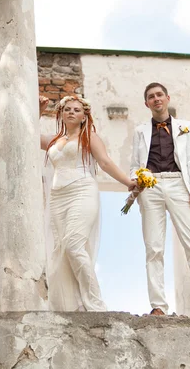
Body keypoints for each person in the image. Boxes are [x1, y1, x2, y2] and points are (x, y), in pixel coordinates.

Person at [130, 82, 190, 316]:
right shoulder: (140, 130)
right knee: (154, 247)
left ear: (168, 98)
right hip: (151, 187)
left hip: (179, 184)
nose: (156, 99)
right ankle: (158, 305)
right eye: (151, 97)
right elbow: (134, 164)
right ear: (146, 103)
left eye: (159, 95)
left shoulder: (185, 127)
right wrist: (136, 180)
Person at [40, 95, 136, 312]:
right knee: (60, 249)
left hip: (82, 190)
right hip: (57, 197)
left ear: (84, 116)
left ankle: (94, 303)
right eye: (67, 109)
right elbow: (30, 138)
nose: (71, 112)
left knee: (74, 245)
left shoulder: (89, 136)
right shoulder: (54, 140)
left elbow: (105, 162)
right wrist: (38, 110)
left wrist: (128, 182)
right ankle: (68, 305)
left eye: (76, 110)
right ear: (61, 114)